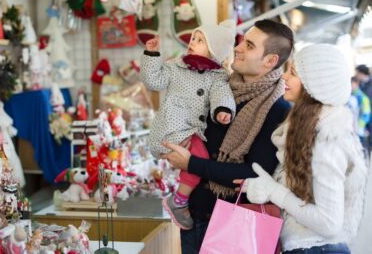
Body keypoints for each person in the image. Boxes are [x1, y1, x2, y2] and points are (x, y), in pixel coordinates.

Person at [161, 19, 293, 253]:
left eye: (249, 46)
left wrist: (191, 163)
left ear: (271, 61)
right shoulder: (218, 85)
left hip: (236, 224)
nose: (238, 47)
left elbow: (254, 172)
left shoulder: (278, 109)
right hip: (195, 214)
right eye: (242, 41)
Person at [242, 44, 367, 254]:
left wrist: (274, 191)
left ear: (313, 84)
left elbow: (329, 223)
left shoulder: (326, 139)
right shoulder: (305, 128)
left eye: (292, 73)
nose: (284, 78)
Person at [140, 20, 237, 230]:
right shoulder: (176, 66)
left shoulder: (217, 76)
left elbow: (222, 94)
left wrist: (223, 109)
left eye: (201, 40)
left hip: (188, 131)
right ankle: (179, 200)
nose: (193, 41)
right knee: (198, 161)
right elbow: (153, 81)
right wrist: (152, 56)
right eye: (194, 37)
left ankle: (180, 199)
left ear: (214, 52)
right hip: (171, 127)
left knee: (195, 163)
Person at [349, 77, 371, 151]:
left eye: (351, 84)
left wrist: (359, 127)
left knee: (361, 153)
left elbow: (366, 115)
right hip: (349, 132)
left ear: (356, 84)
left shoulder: (363, 98)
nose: (350, 86)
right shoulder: (348, 97)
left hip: (359, 132)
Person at [355, 64, 372, 152]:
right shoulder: (359, 85)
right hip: (362, 119)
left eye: (357, 73)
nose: (356, 75)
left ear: (362, 73)